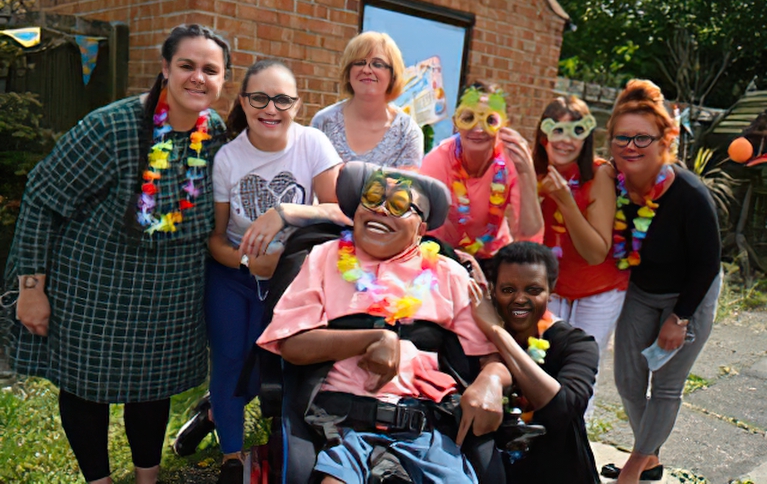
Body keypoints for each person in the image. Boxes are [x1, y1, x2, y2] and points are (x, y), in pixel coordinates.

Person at [3, 24, 230, 484]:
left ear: (224, 79)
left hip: (169, 300)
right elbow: (43, 197)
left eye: (211, 70)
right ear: (165, 69)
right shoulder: (112, 127)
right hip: (96, 292)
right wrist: (31, 289)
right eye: (186, 65)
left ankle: (148, 479)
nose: (197, 78)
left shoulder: (216, 133)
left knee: (153, 391)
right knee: (87, 391)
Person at [257, 163, 511, 483]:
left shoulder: (451, 274)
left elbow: (492, 357)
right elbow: (291, 344)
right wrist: (373, 339)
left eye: (399, 204)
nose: (380, 210)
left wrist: (491, 380)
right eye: (373, 197)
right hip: (340, 424)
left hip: (427, 430)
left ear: (421, 228)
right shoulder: (323, 258)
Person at [204, 59, 343, 483]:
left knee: (276, 368)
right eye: (260, 97)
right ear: (243, 102)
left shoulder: (313, 144)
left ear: (297, 105)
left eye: (282, 99)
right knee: (230, 361)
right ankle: (231, 456)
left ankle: (275, 441)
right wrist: (248, 260)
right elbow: (214, 239)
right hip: (234, 277)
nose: (271, 108)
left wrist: (286, 212)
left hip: (294, 281)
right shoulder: (228, 158)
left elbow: (342, 212)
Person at [603, 80, 722, 484]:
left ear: (663, 141)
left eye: (642, 138)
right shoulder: (613, 185)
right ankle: (650, 456)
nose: (630, 146)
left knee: (666, 387)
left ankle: (636, 466)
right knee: (628, 381)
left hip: (690, 293)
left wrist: (681, 317)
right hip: (642, 290)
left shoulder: (689, 192)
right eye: (622, 137)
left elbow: (707, 262)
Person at [473, 241, 600, 483]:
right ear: (493, 291)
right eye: (508, 289)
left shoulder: (576, 344)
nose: (520, 299)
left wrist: (498, 335)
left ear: (551, 292)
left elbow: (562, 409)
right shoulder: (473, 340)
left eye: (533, 290)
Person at [533, 96, 629, 414]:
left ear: (587, 135)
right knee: (541, 364)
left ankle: (576, 449)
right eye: (556, 130)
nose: (566, 139)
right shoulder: (530, 174)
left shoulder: (599, 174)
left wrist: (565, 201)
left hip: (597, 288)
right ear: (543, 135)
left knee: (581, 371)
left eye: (576, 130)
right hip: (551, 285)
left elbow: (595, 252)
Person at [419, 81, 543, 263]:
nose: (478, 129)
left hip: (493, 258)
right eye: (468, 118)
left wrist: (527, 174)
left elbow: (530, 239)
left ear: (504, 124)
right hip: (443, 256)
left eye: (490, 120)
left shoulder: (512, 160)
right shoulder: (438, 161)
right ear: (455, 123)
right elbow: (422, 232)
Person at [311, 31, 423, 168]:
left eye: (377, 64)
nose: (366, 70)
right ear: (348, 71)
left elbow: (403, 187)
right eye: (359, 62)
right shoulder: (323, 123)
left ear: (393, 75)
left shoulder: (407, 133)